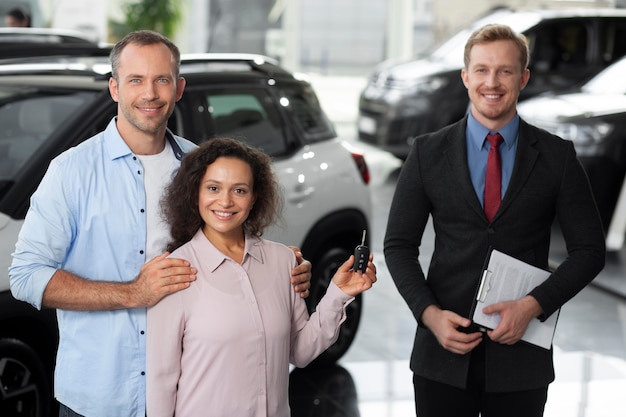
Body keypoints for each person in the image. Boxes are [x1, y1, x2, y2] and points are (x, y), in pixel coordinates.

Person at [8, 30, 312, 417]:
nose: (149, 93)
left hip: (192, 395)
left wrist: (286, 270)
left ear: (179, 87)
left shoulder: (199, 166)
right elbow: (25, 276)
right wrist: (133, 292)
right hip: (101, 399)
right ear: (115, 88)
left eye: (161, 79)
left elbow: (237, 252)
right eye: (136, 79)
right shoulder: (71, 172)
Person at [384, 23, 605, 417]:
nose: (493, 81)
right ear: (466, 77)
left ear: (523, 78)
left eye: (505, 70)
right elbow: (399, 246)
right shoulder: (426, 153)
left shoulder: (557, 156)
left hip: (522, 359)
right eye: (482, 69)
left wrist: (534, 306)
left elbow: (589, 251)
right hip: (442, 353)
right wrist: (428, 315)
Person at [146, 137, 377, 417]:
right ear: (196, 193)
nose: (226, 201)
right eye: (213, 188)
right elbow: (161, 380)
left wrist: (337, 295)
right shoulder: (174, 272)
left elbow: (301, 352)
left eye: (239, 190)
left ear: (254, 197)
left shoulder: (282, 261)